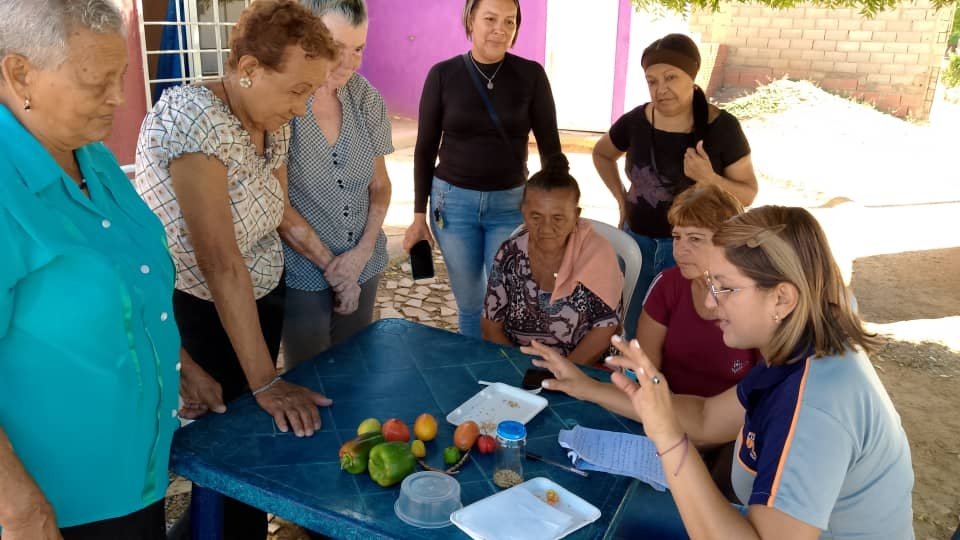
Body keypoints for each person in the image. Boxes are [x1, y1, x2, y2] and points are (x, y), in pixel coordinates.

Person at [0, 1, 218, 537]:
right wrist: (15, 504)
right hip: (54, 503)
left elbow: (127, 279)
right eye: (97, 82)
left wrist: (181, 363)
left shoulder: (87, 154)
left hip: (134, 475)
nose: (119, 99)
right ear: (19, 72)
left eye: (121, 76)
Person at [134, 2, 338, 538]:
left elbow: (278, 210)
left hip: (258, 301)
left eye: (311, 91)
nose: (302, 106)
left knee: (248, 455)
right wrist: (266, 381)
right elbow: (218, 261)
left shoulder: (273, 122)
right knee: (223, 460)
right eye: (295, 89)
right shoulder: (192, 116)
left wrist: (328, 263)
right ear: (247, 69)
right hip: (199, 309)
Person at [604, 206, 914, 538]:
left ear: (782, 298)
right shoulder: (798, 347)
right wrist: (621, 396)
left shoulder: (815, 403)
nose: (711, 302)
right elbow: (707, 417)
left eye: (725, 287)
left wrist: (667, 436)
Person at [403, 0, 562, 338]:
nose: (500, 29)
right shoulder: (443, 75)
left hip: (509, 206)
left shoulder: (531, 75)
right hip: (452, 207)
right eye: (490, 18)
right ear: (470, 21)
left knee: (507, 298)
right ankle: (472, 374)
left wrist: (559, 206)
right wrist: (418, 215)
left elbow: (551, 149)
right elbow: (425, 148)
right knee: (471, 304)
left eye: (510, 21)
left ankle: (504, 370)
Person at [593, 33, 758, 338]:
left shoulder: (722, 128)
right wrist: (621, 199)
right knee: (632, 324)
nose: (661, 89)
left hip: (692, 249)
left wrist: (710, 178)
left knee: (684, 329)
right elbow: (602, 153)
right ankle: (636, 381)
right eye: (652, 81)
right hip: (636, 243)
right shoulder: (636, 121)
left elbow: (748, 192)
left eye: (671, 77)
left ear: (692, 78)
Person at [280, 0, 393, 368]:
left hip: (363, 262)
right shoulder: (284, 102)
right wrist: (337, 272)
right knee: (309, 377)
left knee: (355, 370)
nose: (348, 62)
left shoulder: (365, 98)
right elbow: (278, 205)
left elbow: (380, 185)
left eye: (358, 49)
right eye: (336, 48)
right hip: (302, 268)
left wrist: (359, 257)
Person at [482, 155, 623, 365]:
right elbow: (490, 325)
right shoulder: (509, 253)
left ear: (576, 215)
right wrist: (518, 371)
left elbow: (605, 330)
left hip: (582, 369)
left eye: (558, 218)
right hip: (519, 363)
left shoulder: (597, 255)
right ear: (523, 213)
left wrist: (562, 374)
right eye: (536, 217)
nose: (546, 228)